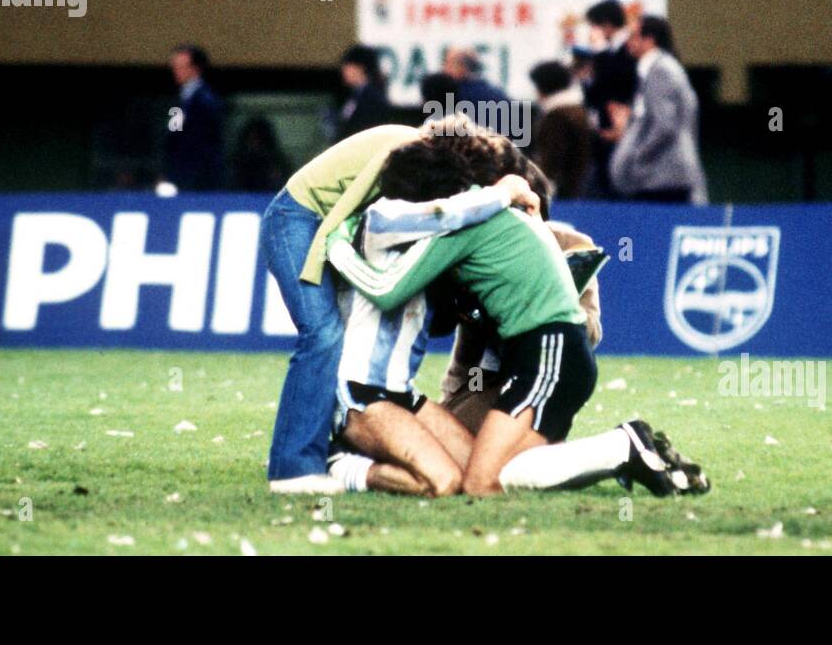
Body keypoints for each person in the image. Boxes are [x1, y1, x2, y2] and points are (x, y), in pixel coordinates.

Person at [325, 139, 708, 497]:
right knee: (501, 470)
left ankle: (621, 447)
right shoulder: (508, 218)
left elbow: (391, 288)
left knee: (481, 482)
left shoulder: (465, 223)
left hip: (547, 352)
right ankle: (629, 451)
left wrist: (336, 244)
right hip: (550, 353)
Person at [261, 124, 542, 494]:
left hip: (390, 381)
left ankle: (333, 453)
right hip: (299, 218)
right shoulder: (401, 156)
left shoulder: (415, 170)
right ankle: (293, 469)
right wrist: (325, 256)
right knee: (323, 334)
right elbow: (349, 213)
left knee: (328, 336)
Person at [608, 16, 708, 204]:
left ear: (649, 39)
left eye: (632, 36)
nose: (627, 42)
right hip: (657, 176)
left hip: (664, 177)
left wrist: (636, 158)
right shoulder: (652, 70)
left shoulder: (662, 70)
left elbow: (665, 125)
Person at [582, 0, 636, 198]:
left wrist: (600, 53)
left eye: (594, 25)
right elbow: (596, 93)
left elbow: (615, 85)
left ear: (605, 24)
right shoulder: (609, 51)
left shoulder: (626, 50)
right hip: (603, 128)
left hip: (621, 128)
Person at [164, 44, 225, 191]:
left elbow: (205, 141)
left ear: (195, 68)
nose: (176, 71)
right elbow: (174, 131)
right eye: (174, 66)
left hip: (198, 177)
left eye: (181, 66)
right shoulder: (180, 98)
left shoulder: (206, 100)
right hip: (178, 172)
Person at [528, 61, 592, 199]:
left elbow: (552, 158)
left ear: (543, 87)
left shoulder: (557, 117)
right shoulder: (577, 110)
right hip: (579, 188)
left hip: (564, 192)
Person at [337, 44, 394, 139]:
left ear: (360, 68)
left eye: (347, 67)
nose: (343, 71)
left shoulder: (373, 99)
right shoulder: (355, 95)